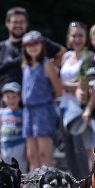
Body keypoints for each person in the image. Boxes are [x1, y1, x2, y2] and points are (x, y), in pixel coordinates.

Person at [0, 7, 65, 118]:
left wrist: (46, 68)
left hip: (36, 104)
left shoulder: (36, 42)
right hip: (9, 106)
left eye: (22, 22)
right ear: (7, 23)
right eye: (15, 22)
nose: (18, 25)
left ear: (27, 24)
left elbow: (63, 53)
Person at [21, 31, 63, 169]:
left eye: (36, 43)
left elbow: (58, 90)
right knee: (31, 154)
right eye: (29, 44)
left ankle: (49, 185)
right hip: (28, 111)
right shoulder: (25, 65)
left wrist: (45, 101)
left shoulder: (46, 64)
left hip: (43, 109)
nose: (33, 47)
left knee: (44, 153)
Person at [59, 21, 94, 180]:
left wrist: (66, 86)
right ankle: (76, 183)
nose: (77, 39)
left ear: (86, 38)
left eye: (81, 36)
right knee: (69, 149)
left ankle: (86, 181)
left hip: (79, 108)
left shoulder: (88, 56)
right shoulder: (66, 56)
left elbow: (86, 82)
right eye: (74, 35)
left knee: (81, 148)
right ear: (69, 37)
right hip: (64, 106)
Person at [0, 82, 27, 173]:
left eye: (14, 97)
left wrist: (27, 148)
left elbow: (26, 131)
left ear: (20, 98)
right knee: (5, 173)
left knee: (20, 172)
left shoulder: (23, 112)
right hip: (4, 146)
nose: (11, 100)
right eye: (8, 97)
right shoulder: (1, 112)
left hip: (19, 146)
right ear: (3, 98)